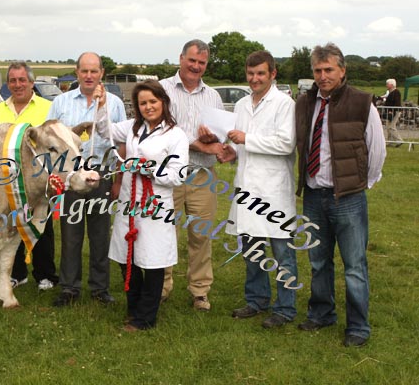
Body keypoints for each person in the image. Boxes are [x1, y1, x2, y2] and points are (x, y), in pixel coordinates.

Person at [295, 43, 386, 347]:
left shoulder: (362, 103)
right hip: (313, 196)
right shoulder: (305, 103)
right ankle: (322, 314)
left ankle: (358, 326)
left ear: (342, 70)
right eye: (318, 70)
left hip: (347, 198)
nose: (322, 76)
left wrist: (362, 184)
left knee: (355, 266)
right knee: (319, 262)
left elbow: (377, 150)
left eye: (328, 69)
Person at [93, 80, 188, 330]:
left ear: (163, 102)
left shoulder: (176, 135)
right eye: (143, 103)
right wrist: (102, 105)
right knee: (127, 257)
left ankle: (146, 317)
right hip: (129, 202)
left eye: (153, 102)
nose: (148, 107)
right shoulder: (133, 127)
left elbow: (178, 175)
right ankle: (134, 308)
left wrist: (150, 169)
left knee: (153, 260)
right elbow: (105, 131)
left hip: (155, 205)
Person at [47, 51, 127, 307]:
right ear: (77, 72)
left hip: (102, 173)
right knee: (71, 235)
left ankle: (99, 287)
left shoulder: (114, 103)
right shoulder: (61, 102)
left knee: (100, 234)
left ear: (102, 73)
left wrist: (117, 181)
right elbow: (50, 138)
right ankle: (69, 287)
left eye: (94, 71)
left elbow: (122, 143)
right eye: (84, 71)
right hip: (72, 177)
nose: (89, 76)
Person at [225, 51, 298, 328]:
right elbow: (238, 143)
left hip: (274, 190)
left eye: (261, 74)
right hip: (247, 187)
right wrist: (229, 151)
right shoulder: (242, 104)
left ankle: (285, 308)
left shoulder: (284, 104)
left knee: (282, 253)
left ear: (273, 74)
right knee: (252, 249)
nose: (254, 79)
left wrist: (246, 139)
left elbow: (285, 144)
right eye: (251, 73)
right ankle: (256, 300)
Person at [159, 39, 229, 311]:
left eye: (201, 63)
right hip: (169, 174)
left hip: (202, 174)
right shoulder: (163, 89)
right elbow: (163, 128)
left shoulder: (213, 96)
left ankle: (200, 291)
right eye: (192, 61)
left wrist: (214, 139)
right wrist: (196, 142)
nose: (196, 67)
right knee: (166, 232)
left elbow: (220, 132)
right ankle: (162, 286)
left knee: (201, 235)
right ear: (180, 59)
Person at [0, 61, 59, 291]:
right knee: (12, 226)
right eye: (13, 80)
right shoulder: (1, 108)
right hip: (9, 178)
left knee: (42, 224)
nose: (17, 85)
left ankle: (45, 275)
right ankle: (17, 273)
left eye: (22, 80)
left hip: (39, 178)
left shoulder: (48, 107)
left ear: (32, 82)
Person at [383, 78, 403, 146]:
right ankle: (389, 142)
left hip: (395, 112)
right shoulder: (391, 92)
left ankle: (399, 140)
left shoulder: (396, 92)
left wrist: (391, 111)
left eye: (387, 84)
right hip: (390, 111)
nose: (386, 85)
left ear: (391, 85)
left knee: (391, 127)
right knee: (388, 126)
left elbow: (397, 103)